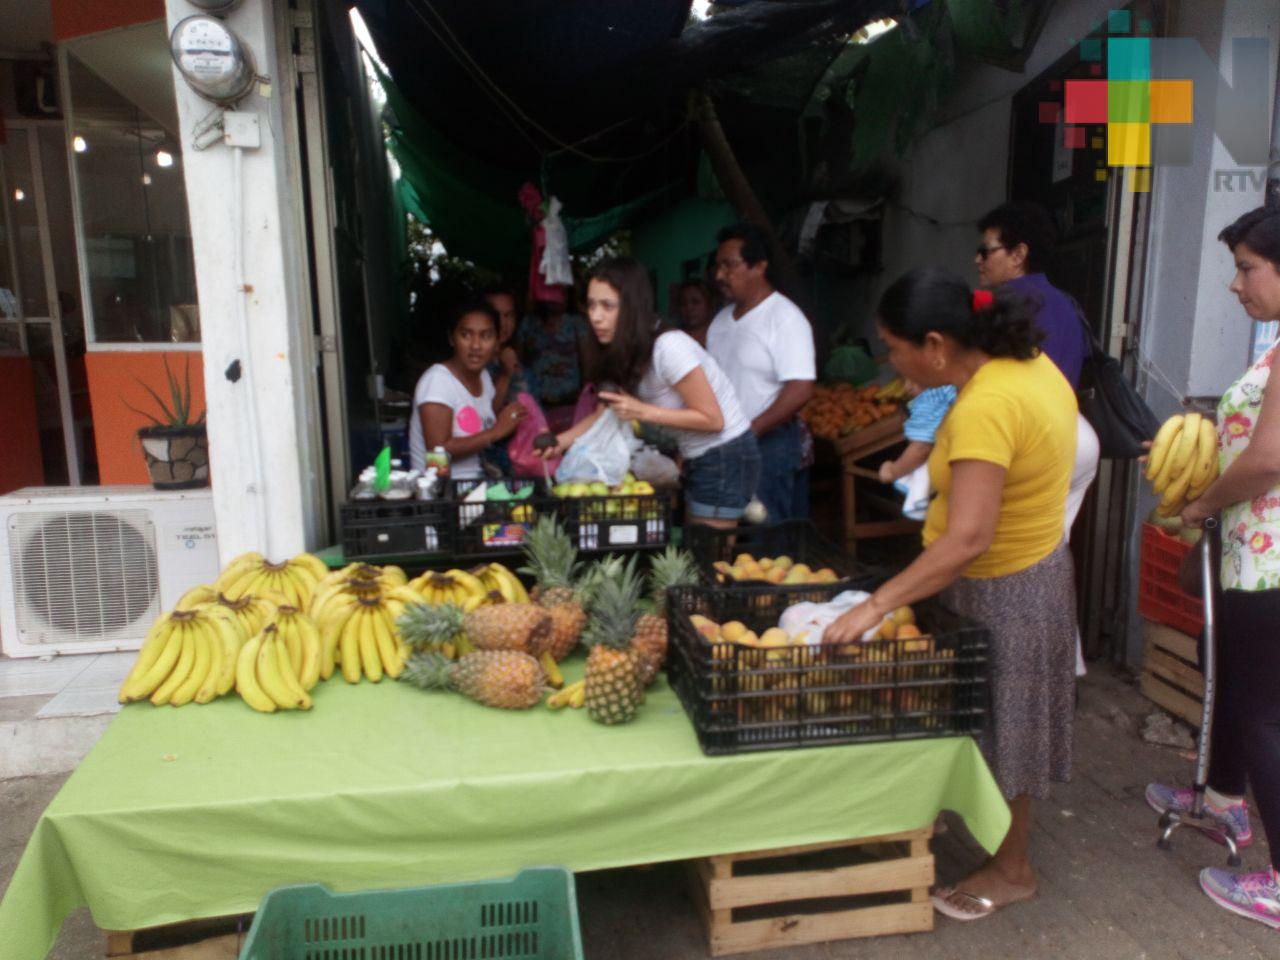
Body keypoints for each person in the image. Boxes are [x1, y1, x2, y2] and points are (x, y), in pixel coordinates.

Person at [823, 267, 1079, 921]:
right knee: (977, 718)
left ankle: (1015, 868)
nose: (889, 360)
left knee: (1006, 726)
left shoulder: (988, 406)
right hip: (1035, 568)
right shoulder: (1026, 366)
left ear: (935, 344)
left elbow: (967, 538)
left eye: (893, 346)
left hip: (1003, 586)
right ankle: (947, 820)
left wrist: (876, 603)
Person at [1146, 206, 1280, 930]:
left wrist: (1199, 505)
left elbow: (1267, 459)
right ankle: (1223, 801)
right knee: (1234, 680)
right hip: (1254, 557)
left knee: (1266, 716)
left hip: (1269, 562)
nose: (1236, 285)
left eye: (1247, 267)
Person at [976, 201, 1101, 675]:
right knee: (1049, 553)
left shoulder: (997, 304)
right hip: (1075, 436)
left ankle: (1013, 668)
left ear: (1019, 253)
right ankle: (1061, 665)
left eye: (985, 250)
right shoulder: (1066, 303)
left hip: (1030, 442)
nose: (978, 260)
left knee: (1012, 559)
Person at [543, 257, 760, 529]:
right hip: (698, 456)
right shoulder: (628, 348)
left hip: (725, 454)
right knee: (698, 552)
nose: (595, 316)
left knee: (709, 557)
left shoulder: (669, 348)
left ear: (632, 308)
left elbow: (713, 419)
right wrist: (559, 442)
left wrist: (642, 411)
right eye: (591, 304)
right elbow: (604, 412)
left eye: (608, 306)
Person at [706, 222, 815, 522]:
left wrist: (752, 430)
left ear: (759, 266)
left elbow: (801, 388)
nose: (720, 276)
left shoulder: (784, 319)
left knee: (766, 543)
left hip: (769, 447)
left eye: (729, 266)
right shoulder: (720, 322)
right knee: (724, 534)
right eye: (718, 267)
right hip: (725, 446)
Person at [409, 299, 526, 479]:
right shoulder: (438, 382)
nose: (476, 346)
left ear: (497, 343)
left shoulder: (483, 377)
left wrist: (505, 378)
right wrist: (496, 432)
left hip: (476, 488)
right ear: (451, 338)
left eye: (486, 336)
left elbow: (485, 416)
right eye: (466, 335)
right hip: (444, 495)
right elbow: (436, 455)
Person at [878, 382, 957, 520]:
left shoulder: (933, 395)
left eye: (912, 379)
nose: (907, 387)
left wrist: (892, 470)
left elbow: (921, 448)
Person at [516, 296, 589, 431]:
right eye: (551, 291)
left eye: (561, 291)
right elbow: (517, 364)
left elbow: (588, 364)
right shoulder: (528, 323)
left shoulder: (576, 323)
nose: (556, 298)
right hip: (535, 406)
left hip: (570, 404)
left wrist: (584, 402)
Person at [482, 283, 528, 410]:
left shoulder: (510, 355)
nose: (503, 323)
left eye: (508, 315)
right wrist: (505, 376)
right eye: (495, 315)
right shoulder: (474, 360)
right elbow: (484, 417)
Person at [675, 278, 715, 347]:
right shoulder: (675, 340)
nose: (689, 308)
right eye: (683, 303)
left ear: (709, 304)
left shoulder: (719, 336)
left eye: (696, 302)